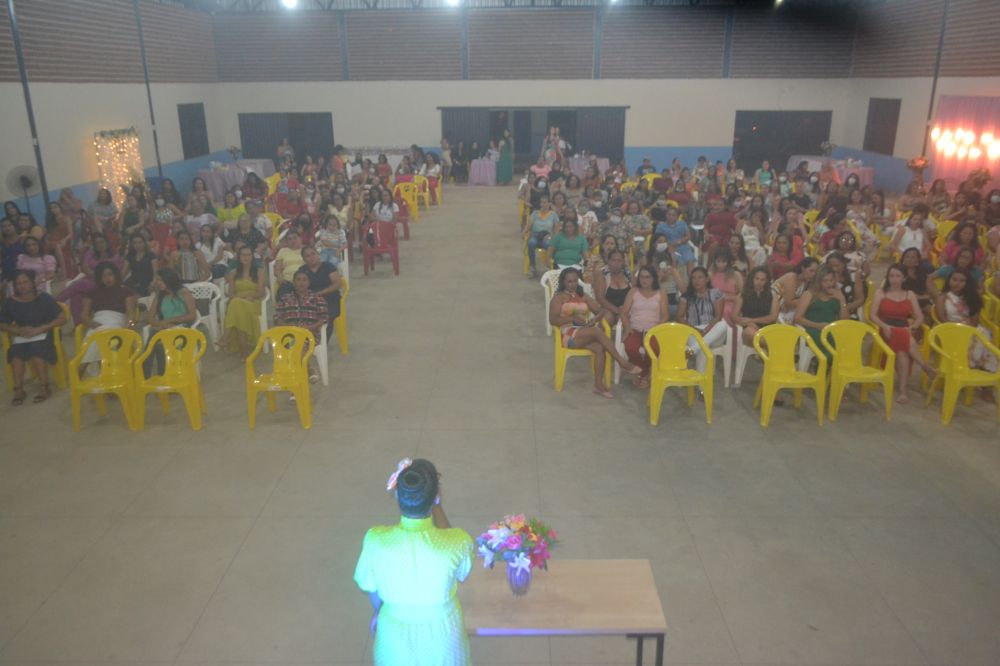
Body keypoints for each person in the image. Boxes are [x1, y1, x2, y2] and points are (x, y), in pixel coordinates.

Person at [354, 458, 472, 666]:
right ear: (436, 496)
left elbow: (370, 585)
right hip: (444, 639)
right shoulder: (460, 541)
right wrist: (438, 505)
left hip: (393, 637)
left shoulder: (375, 540)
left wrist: (378, 611)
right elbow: (455, 556)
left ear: (397, 493)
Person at [549, 267, 641, 397]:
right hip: (567, 335)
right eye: (569, 281)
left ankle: (598, 385)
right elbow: (552, 319)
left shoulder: (583, 296)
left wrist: (594, 320)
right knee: (597, 332)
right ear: (563, 282)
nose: (573, 284)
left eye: (575, 281)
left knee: (599, 347)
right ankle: (621, 362)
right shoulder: (559, 298)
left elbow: (601, 311)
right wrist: (572, 318)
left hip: (583, 332)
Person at [869, 264, 936, 404]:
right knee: (903, 339)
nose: (894, 279)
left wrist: (913, 328)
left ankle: (903, 390)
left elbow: (919, 317)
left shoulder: (909, 294)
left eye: (898, 276)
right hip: (885, 328)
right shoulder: (881, 293)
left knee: (901, 351)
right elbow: (872, 315)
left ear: (904, 278)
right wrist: (884, 325)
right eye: (891, 276)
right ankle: (925, 368)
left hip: (903, 328)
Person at [0, 269, 66, 405]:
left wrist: (39, 329)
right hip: (23, 335)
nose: (22, 286)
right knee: (15, 353)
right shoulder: (10, 302)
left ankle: (44, 386)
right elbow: (2, 323)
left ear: (32, 283)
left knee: (37, 350)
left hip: (45, 333)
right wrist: (16, 330)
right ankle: (19, 389)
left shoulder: (44, 298)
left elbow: (62, 318)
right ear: (15, 286)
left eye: (25, 282)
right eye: (18, 283)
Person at [933, 269, 998, 376]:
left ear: (967, 283)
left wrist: (966, 329)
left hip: (970, 329)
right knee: (982, 339)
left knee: (982, 334)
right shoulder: (943, 297)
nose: (957, 283)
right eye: (954, 279)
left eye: (962, 281)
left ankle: (976, 369)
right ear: (949, 280)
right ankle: (976, 369)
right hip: (950, 330)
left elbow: (975, 322)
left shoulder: (972, 297)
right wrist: (958, 328)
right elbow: (941, 318)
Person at [78, 262, 138, 366]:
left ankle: (86, 367)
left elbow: (131, 315)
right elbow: (83, 316)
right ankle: (94, 369)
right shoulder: (92, 293)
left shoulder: (126, 292)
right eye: (103, 276)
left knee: (109, 335)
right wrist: (94, 324)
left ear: (115, 275)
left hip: (117, 323)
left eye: (110, 274)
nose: (107, 278)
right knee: (95, 335)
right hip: (97, 324)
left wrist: (128, 327)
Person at [275, 269, 328, 383]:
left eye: (304, 280)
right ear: (293, 282)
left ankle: (296, 386)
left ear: (309, 283)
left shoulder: (317, 298)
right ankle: (308, 370)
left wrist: (310, 328)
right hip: (289, 334)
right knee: (293, 346)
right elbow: (277, 317)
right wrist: (289, 327)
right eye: (298, 280)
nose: (301, 282)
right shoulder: (285, 299)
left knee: (298, 349)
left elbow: (324, 318)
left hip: (309, 334)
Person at [621, 265, 668, 388]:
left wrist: (657, 330)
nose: (644, 280)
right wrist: (627, 328)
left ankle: (642, 373)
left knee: (653, 349)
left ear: (654, 278)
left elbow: (665, 316)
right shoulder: (633, 291)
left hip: (654, 330)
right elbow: (624, 312)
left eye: (648, 277)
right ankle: (644, 373)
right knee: (631, 348)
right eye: (641, 277)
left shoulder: (661, 294)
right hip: (635, 328)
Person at [145, 268, 198, 376]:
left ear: (168, 279)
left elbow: (192, 315)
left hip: (182, 328)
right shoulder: (160, 296)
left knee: (158, 344)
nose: (158, 283)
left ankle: (163, 375)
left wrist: (170, 321)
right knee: (152, 338)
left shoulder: (184, 292)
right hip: (165, 327)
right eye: (157, 280)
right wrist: (161, 324)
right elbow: (150, 317)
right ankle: (147, 374)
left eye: (160, 280)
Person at [676, 266, 727, 376]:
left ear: (707, 279)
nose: (696, 281)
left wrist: (706, 330)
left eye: (700, 277)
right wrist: (696, 330)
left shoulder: (715, 293)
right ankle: (702, 389)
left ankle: (692, 350)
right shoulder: (686, 296)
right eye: (693, 278)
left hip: (713, 330)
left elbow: (718, 316)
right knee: (703, 347)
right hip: (693, 330)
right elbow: (679, 317)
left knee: (723, 324)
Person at [218, 246, 265, 358]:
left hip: (254, 302)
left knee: (236, 304)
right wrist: (242, 298)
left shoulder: (259, 271)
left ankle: (226, 336)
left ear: (252, 257)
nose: (246, 257)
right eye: (243, 255)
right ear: (238, 257)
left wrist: (244, 296)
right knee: (237, 305)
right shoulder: (233, 272)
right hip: (239, 302)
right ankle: (244, 349)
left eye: (249, 255)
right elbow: (231, 294)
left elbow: (261, 292)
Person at [794, 265, 847, 359]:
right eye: (825, 281)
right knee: (828, 339)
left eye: (831, 280)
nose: (829, 284)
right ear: (819, 281)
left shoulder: (837, 294)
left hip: (832, 329)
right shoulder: (809, 294)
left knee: (845, 338)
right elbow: (797, 318)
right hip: (813, 329)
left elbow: (845, 320)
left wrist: (842, 300)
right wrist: (817, 325)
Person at [734, 266, 779, 346]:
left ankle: (768, 350)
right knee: (749, 332)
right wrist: (748, 323)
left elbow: (773, 317)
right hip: (749, 328)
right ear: (752, 279)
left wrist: (752, 320)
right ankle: (772, 348)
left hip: (767, 328)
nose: (759, 282)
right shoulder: (742, 295)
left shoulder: (773, 295)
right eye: (757, 279)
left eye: (762, 280)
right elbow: (734, 316)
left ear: (767, 281)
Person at [300, 246, 343, 325]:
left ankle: (324, 337)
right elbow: (300, 286)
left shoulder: (328, 266)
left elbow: (338, 284)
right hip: (311, 298)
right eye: (307, 256)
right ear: (304, 259)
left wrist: (320, 293)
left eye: (313, 254)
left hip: (330, 295)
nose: (311, 257)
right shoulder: (303, 270)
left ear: (318, 255)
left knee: (327, 317)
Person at [773, 257, 819, 324]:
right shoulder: (791, 277)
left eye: (816, 272)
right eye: (811, 271)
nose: (813, 274)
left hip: (784, 311)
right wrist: (809, 300)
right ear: (803, 268)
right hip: (771, 307)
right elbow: (788, 303)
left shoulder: (807, 283)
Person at [592, 249, 631, 324]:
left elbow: (634, 293)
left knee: (624, 318)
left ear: (623, 262)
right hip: (605, 307)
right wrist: (617, 310)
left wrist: (625, 310)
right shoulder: (601, 273)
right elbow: (600, 298)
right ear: (608, 261)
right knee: (608, 317)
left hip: (625, 308)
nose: (616, 263)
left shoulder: (628, 273)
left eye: (619, 261)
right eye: (613, 260)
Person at [524, 196, 558, 277]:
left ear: (549, 204)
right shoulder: (535, 213)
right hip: (535, 235)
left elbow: (557, 228)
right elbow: (529, 225)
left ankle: (549, 266)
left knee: (548, 244)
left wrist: (551, 236)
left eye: (545, 202)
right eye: (541, 202)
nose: (542, 204)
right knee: (531, 243)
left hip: (547, 235)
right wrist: (524, 232)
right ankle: (532, 267)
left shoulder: (553, 214)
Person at [273, 230, 306, 296]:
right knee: (284, 296)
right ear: (287, 241)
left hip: (305, 282)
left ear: (300, 239)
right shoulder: (283, 251)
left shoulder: (306, 250)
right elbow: (277, 269)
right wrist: (281, 279)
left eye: (295, 238)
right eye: (289, 239)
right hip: (287, 282)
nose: (292, 240)